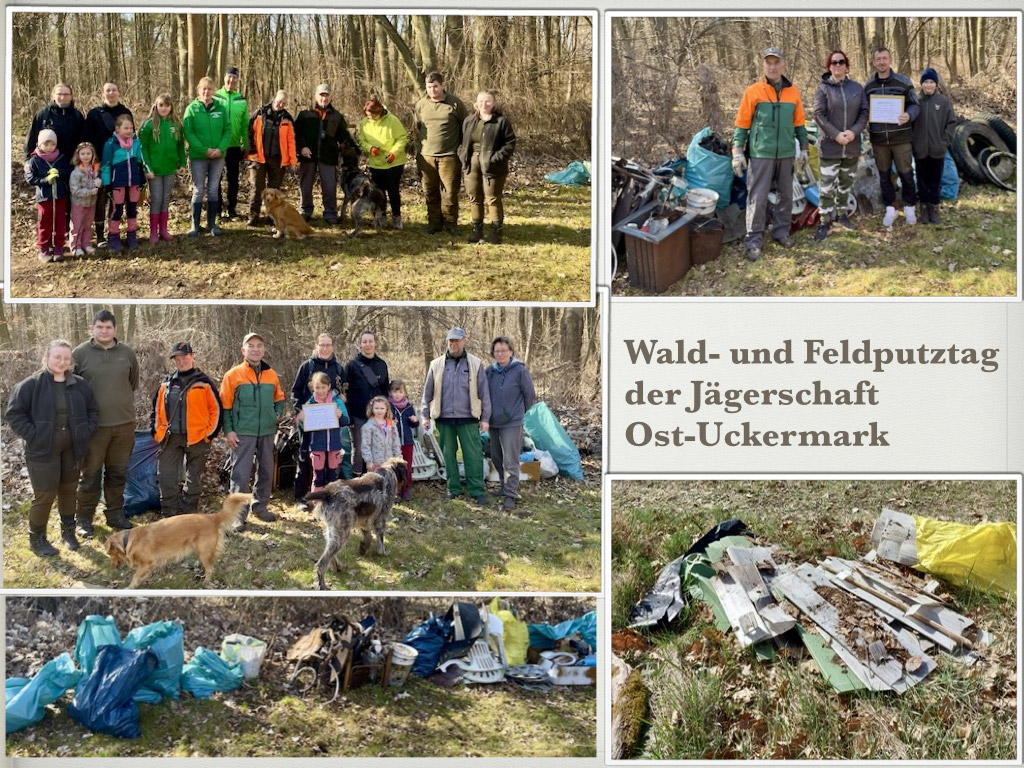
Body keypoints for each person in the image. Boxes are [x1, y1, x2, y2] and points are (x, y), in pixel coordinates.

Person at [6, 340, 98, 556]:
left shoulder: (79, 384)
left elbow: (93, 410)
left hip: (73, 448)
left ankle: (68, 532)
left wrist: (86, 431)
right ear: (47, 357)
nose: (62, 362)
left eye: (66, 358)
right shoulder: (30, 385)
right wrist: (34, 435)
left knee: (68, 489)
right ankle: (37, 538)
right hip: (42, 449)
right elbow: (14, 414)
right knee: (45, 494)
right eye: (57, 357)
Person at [731, 47, 809, 261]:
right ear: (763, 66)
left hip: (785, 153)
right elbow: (742, 125)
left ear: (783, 65)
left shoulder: (793, 92)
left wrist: (803, 148)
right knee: (757, 197)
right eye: (769, 63)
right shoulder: (753, 92)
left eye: (777, 63)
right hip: (760, 153)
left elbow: (799, 123)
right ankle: (754, 240)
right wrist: (737, 151)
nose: (773, 67)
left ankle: (781, 232)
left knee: (786, 195)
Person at [73, 310, 139, 537]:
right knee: (90, 474)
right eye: (100, 327)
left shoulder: (127, 353)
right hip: (93, 427)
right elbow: (70, 388)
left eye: (108, 327)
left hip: (124, 425)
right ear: (92, 328)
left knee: (117, 472)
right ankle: (83, 519)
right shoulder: (80, 354)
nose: (104, 331)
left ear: (115, 329)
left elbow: (132, 383)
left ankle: (115, 514)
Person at [219, 332, 286, 531]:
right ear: (243, 350)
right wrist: (229, 431)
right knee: (240, 473)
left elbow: (280, 398)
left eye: (259, 346)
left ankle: (260, 506)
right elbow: (226, 407)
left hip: (266, 431)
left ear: (263, 350)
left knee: (266, 469)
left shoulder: (271, 374)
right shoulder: (233, 375)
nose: (256, 349)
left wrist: (276, 414)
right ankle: (238, 515)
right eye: (251, 346)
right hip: (243, 432)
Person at [150, 342, 222, 518]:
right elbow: (156, 410)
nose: (181, 361)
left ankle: (189, 515)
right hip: (170, 438)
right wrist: (155, 431)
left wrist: (210, 434)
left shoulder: (204, 382)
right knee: (166, 477)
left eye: (185, 357)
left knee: (193, 479)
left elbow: (217, 410)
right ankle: (169, 516)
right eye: (178, 358)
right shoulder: (166, 384)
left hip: (197, 438)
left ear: (192, 356)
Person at [420, 327, 491, 505]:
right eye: (450, 340)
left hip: (469, 418)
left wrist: (485, 418)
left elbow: (485, 393)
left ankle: (476, 490)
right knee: (448, 455)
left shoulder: (475, 363)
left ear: (464, 341)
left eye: (457, 340)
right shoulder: (436, 364)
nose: (453, 343)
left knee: (473, 455)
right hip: (443, 418)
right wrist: (425, 416)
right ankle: (453, 488)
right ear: (447, 342)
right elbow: (427, 393)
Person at [812, 49, 869, 242]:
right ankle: (825, 221)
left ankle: (841, 215)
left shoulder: (857, 88)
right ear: (829, 66)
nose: (838, 65)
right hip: (830, 146)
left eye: (841, 62)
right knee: (827, 187)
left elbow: (864, 113)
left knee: (845, 184)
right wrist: (836, 135)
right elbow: (819, 115)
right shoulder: (822, 89)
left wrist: (853, 132)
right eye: (834, 62)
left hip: (851, 146)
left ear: (847, 65)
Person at [864, 46, 921, 228]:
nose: (881, 62)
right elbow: (865, 111)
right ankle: (890, 207)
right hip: (879, 140)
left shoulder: (903, 82)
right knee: (884, 175)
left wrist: (908, 115)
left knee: (906, 173)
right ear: (873, 62)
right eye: (878, 59)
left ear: (890, 60)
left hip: (901, 138)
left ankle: (910, 206)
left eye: (884, 58)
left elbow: (915, 105)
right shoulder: (868, 86)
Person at [291, 333, 347, 506]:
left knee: (331, 462)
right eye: (321, 345)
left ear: (333, 347)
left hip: (331, 428)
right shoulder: (306, 367)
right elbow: (296, 392)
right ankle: (302, 497)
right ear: (316, 346)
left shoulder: (338, 368)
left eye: (328, 345)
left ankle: (330, 497)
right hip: (310, 422)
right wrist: (300, 412)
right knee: (306, 457)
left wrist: (343, 400)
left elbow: (343, 391)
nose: (325, 348)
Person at [485, 336, 536, 513]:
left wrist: (519, 413)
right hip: (493, 421)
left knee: (510, 459)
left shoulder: (519, 370)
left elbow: (529, 394)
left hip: (512, 422)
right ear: (493, 353)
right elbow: (483, 394)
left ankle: (511, 494)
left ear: (511, 352)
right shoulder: (489, 371)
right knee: (497, 457)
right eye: (497, 351)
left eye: (504, 350)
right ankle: (502, 485)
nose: (500, 354)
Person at [294, 83, 359, 224]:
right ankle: (306, 210)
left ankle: (330, 213)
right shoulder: (305, 114)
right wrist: (302, 148)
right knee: (305, 185)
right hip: (307, 156)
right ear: (315, 96)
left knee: (329, 186)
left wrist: (356, 150)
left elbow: (344, 137)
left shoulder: (336, 116)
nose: (324, 98)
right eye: (321, 95)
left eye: (326, 95)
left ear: (331, 97)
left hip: (328, 157)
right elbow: (296, 134)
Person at [459, 90, 516, 244]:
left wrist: (495, 159)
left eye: (488, 101)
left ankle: (496, 232)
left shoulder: (501, 122)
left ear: (494, 103)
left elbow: (509, 144)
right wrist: (462, 155)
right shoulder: (469, 121)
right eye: (481, 101)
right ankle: (476, 230)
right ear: (475, 104)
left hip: (493, 166)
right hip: (471, 163)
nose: (484, 104)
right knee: (474, 197)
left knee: (492, 198)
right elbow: (461, 141)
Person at [414, 72, 467, 234]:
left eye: (435, 86)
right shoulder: (421, 105)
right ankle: (434, 222)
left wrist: (462, 151)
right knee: (430, 190)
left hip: (449, 156)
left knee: (450, 192)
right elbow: (417, 129)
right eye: (429, 87)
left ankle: (450, 222)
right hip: (426, 156)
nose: (433, 90)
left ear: (442, 86)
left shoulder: (455, 104)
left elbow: (466, 127)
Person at [85, 82, 132, 246]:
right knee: (100, 199)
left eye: (114, 90)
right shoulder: (94, 114)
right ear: (102, 93)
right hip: (99, 163)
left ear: (119, 93)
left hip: (120, 164)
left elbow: (131, 137)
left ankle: (114, 233)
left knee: (117, 200)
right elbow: (87, 140)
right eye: (108, 90)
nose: (111, 93)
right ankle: (100, 236)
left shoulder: (125, 112)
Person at [182, 76, 230, 237]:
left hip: (218, 155)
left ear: (214, 91)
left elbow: (227, 130)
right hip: (198, 156)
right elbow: (188, 132)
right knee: (199, 189)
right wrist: (204, 150)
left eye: (209, 89)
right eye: (203, 88)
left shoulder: (221, 108)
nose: (206, 91)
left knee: (213, 189)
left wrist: (220, 148)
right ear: (198, 90)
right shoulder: (191, 109)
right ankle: (195, 225)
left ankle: (212, 224)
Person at [911, 68, 957, 225]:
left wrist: (944, 143)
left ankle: (934, 209)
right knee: (922, 181)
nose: (928, 85)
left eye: (931, 82)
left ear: (936, 84)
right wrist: (913, 143)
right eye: (925, 82)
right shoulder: (916, 102)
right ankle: (924, 210)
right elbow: (909, 125)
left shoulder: (943, 102)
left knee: (935, 182)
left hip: (937, 150)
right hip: (920, 150)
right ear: (921, 84)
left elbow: (951, 124)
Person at [140, 94, 186, 244]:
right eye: (161, 105)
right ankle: (153, 232)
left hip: (170, 169)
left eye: (167, 105)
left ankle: (164, 230)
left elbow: (180, 145)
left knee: (166, 199)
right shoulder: (148, 125)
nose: (164, 108)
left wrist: (182, 164)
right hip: (155, 170)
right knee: (156, 199)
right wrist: (147, 167)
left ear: (171, 107)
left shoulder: (176, 124)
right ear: (156, 106)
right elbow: (143, 148)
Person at [246, 89, 297, 227]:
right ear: (274, 99)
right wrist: (251, 152)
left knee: (274, 190)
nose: (281, 105)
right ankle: (253, 216)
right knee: (257, 187)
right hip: (258, 158)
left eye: (284, 103)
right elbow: (249, 133)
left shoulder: (287, 118)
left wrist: (292, 160)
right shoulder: (259, 113)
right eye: (279, 101)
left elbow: (291, 141)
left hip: (278, 159)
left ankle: (272, 217)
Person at [357, 97, 408, 229]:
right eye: (368, 116)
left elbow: (402, 138)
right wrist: (370, 149)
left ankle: (397, 217)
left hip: (393, 163)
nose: (371, 118)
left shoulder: (392, 120)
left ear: (379, 111)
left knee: (393, 190)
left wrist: (394, 153)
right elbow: (362, 140)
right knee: (378, 192)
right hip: (376, 163)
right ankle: (381, 217)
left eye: (373, 115)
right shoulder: (364, 123)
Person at [101, 114, 148, 252]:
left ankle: (132, 236)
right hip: (117, 184)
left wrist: (141, 178)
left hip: (133, 182)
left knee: (132, 209)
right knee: (117, 210)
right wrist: (107, 183)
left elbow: (140, 162)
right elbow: (105, 165)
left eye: (131, 128)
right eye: (125, 128)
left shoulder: (136, 143)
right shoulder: (111, 145)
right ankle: (113, 237)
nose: (128, 131)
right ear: (117, 129)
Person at [296, 371, 350, 492]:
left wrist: (340, 416)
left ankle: (333, 500)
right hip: (317, 445)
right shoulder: (310, 404)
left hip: (334, 445)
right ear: (312, 388)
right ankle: (317, 501)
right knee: (318, 476)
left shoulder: (337, 402)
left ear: (329, 387)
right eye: (317, 388)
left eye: (323, 387)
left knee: (333, 476)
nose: (320, 391)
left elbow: (346, 421)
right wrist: (302, 419)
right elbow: (305, 425)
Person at [345, 330, 390, 475]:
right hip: (358, 415)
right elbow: (345, 392)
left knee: (377, 447)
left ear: (375, 343)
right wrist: (349, 416)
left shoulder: (382, 365)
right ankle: (357, 480)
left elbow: (385, 392)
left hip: (378, 416)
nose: (368, 344)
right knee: (359, 449)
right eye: (364, 342)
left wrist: (387, 415)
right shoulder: (352, 365)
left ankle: (376, 479)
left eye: (370, 341)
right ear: (360, 344)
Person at [24, 128, 71, 263]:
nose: (50, 147)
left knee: (60, 223)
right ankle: (44, 248)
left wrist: (59, 173)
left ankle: (58, 247)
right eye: (46, 144)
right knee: (45, 222)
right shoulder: (34, 160)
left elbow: (68, 171)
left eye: (52, 144)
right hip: (44, 197)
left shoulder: (61, 157)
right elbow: (30, 178)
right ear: (39, 145)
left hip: (60, 195)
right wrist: (45, 180)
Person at [215, 66, 249, 220]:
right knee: (216, 179)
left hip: (235, 146)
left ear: (237, 81)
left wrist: (246, 144)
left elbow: (245, 124)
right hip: (217, 146)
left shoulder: (241, 99)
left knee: (233, 180)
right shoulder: (215, 96)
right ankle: (217, 210)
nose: (231, 80)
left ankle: (231, 209)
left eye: (234, 78)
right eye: (229, 77)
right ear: (224, 78)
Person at [25, 83, 85, 162]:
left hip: (71, 163)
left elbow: (83, 140)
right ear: (53, 95)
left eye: (66, 94)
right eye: (59, 94)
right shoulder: (43, 114)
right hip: (45, 164)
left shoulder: (77, 116)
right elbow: (31, 138)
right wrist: (27, 160)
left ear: (71, 96)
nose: (63, 97)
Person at [67, 141, 101, 257]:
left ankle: (87, 244)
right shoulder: (76, 173)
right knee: (77, 226)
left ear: (92, 155)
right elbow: (75, 190)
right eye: (83, 154)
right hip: (79, 203)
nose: (86, 156)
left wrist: (98, 182)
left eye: (88, 153)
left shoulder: (94, 169)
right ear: (78, 155)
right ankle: (76, 247)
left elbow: (96, 182)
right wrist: (89, 191)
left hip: (91, 202)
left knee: (88, 225)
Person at [388, 380, 418, 499]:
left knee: (406, 466)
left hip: (407, 442)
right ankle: (394, 490)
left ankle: (406, 489)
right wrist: (390, 423)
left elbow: (414, 426)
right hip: (392, 443)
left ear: (405, 393)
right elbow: (382, 422)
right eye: (395, 392)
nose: (398, 394)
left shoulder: (409, 407)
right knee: (394, 466)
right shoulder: (388, 406)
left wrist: (415, 421)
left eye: (400, 392)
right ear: (390, 392)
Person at [360, 395, 401, 473]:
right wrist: (369, 461)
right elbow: (365, 446)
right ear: (372, 409)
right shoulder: (367, 427)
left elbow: (396, 443)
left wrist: (398, 458)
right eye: (376, 408)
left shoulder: (391, 424)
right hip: (375, 463)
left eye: (382, 408)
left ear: (386, 409)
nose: (379, 411)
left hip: (390, 462)